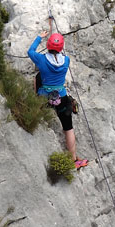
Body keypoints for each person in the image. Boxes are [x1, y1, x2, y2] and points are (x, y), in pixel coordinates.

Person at [28, 16, 88, 169]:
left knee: (38, 77)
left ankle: (36, 107)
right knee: (68, 127)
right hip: (61, 97)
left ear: (48, 45)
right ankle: (73, 159)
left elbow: (30, 51)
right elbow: (58, 55)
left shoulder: (41, 59)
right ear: (61, 48)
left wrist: (40, 37)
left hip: (44, 98)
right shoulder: (66, 60)